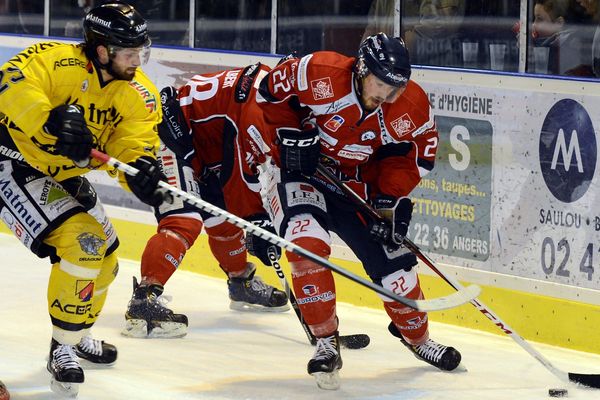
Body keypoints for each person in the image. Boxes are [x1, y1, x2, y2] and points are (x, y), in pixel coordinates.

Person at [256, 33, 462, 390]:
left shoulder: (411, 105)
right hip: (301, 173)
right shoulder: (317, 71)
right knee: (307, 245)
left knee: (396, 269)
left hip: (357, 184)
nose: (386, 94)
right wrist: (293, 135)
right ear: (362, 70)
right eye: (381, 84)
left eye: (395, 88)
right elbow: (268, 93)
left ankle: (418, 339)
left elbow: (416, 156)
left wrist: (388, 199)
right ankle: (324, 341)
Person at [0, 2, 165, 395]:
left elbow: (132, 142)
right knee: (84, 246)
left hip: (64, 176)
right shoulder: (56, 62)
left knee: (107, 261)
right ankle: (63, 347)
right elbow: (9, 82)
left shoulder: (139, 93)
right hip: (15, 164)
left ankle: (79, 333)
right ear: (102, 50)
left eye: (141, 50)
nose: (137, 59)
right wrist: (47, 119)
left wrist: (137, 170)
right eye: (129, 51)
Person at [122, 63, 290, 338]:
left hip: (206, 145)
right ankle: (143, 301)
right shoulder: (258, 107)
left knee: (225, 220)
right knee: (183, 221)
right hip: (172, 133)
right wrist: (259, 222)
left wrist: (256, 221)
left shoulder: (273, 92)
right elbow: (240, 173)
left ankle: (240, 284)